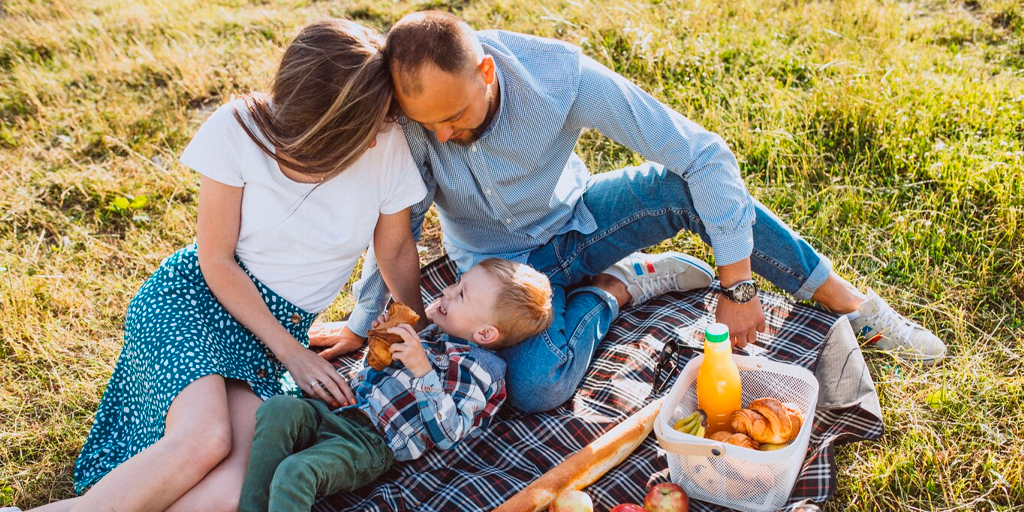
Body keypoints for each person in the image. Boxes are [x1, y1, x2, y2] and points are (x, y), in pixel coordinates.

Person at [318, 11, 946, 414]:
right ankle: (624, 285)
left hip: (583, 222)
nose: (446, 135)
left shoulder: (557, 77)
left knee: (684, 186)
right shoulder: (415, 124)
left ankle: (853, 305)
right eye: (432, 124)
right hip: (495, 274)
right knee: (535, 387)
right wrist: (366, 320)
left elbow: (703, 153)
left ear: (486, 72)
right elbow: (395, 232)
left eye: (458, 116)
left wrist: (738, 282)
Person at [27, 19, 428, 512]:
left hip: (269, 334)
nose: (374, 141)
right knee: (205, 441)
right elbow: (214, 259)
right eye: (362, 131)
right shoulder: (237, 128)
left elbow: (395, 252)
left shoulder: (384, 141)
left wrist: (422, 329)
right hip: (199, 300)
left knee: (234, 489)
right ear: (324, 126)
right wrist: (292, 354)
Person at [238, 258, 553, 512]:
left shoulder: (479, 371)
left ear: (485, 334)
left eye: (461, 295)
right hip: (342, 410)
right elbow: (377, 377)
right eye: (457, 282)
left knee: (297, 472)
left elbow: (449, 433)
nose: (446, 291)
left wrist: (423, 371)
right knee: (279, 407)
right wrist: (381, 346)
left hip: (371, 441)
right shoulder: (433, 335)